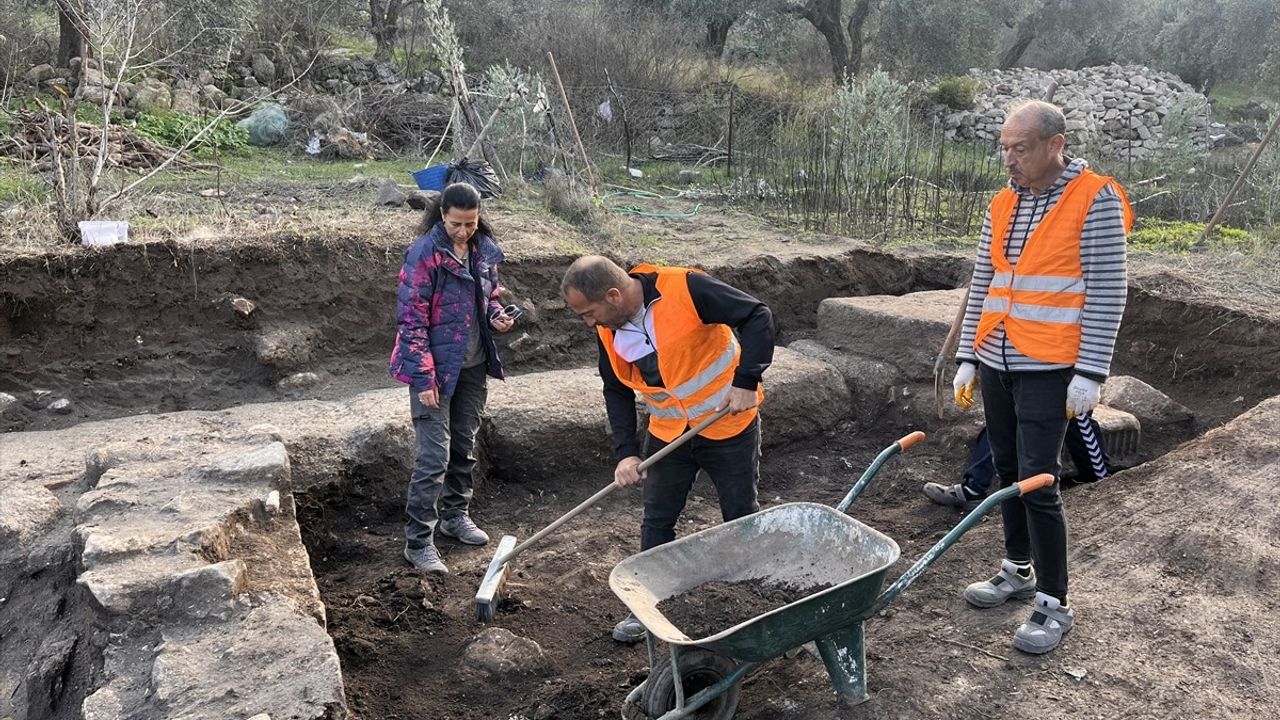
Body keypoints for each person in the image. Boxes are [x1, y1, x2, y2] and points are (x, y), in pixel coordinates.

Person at [951, 100, 1132, 654]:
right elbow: (984, 281)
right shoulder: (1002, 203)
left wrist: (1091, 372)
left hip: (1052, 367)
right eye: (1003, 147)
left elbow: (1107, 288)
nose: (1008, 158)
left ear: (1055, 144)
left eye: (1020, 148)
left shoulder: (1094, 198)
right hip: (997, 359)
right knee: (1007, 470)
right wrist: (968, 355)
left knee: (1038, 478)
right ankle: (1017, 568)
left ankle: (1054, 602)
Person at [561, 255, 774, 643]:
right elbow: (616, 389)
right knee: (657, 518)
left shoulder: (686, 289)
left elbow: (758, 315)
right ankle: (645, 609)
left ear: (613, 295)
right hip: (670, 432)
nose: (589, 323)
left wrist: (746, 380)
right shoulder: (609, 326)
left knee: (739, 512)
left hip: (726, 423)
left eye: (589, 313)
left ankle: (754, 598)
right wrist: (626, 452)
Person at [389, 182, 516, 574]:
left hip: (473, 367)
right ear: (442, 215)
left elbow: (488, 295)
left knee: (464, 444)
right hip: (435, 371)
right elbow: (410, 320)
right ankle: (419, 542)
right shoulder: (423, 255)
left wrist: (496, 316)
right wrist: (424, 378)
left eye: (471, 224)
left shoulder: (482, 252)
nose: (463, 232)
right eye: (456, 223)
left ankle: (454, 515)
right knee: (433, 457)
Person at [923, 414, 1112, 510]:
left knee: (1075, 413)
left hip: (1063, 360)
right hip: (1020, 360)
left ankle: (1104, 483)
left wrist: (1088, 375)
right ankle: (973, 489)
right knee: (1002, 418)